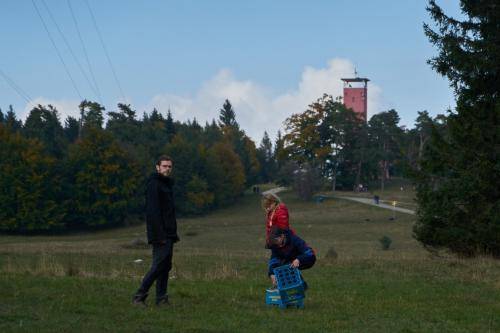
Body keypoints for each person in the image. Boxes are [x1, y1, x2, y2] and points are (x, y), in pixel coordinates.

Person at [133, 155, 180, 306]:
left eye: (169, 166)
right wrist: (159, 235)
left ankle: (161, 298)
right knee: (159, 265)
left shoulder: (166, 184)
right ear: (157, 167)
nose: (167, 169)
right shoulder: (154, 184)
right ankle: (139, 296)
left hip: (169, 233)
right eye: (165, 166)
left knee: (166, 266)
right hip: (161, 234)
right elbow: (152, 212)